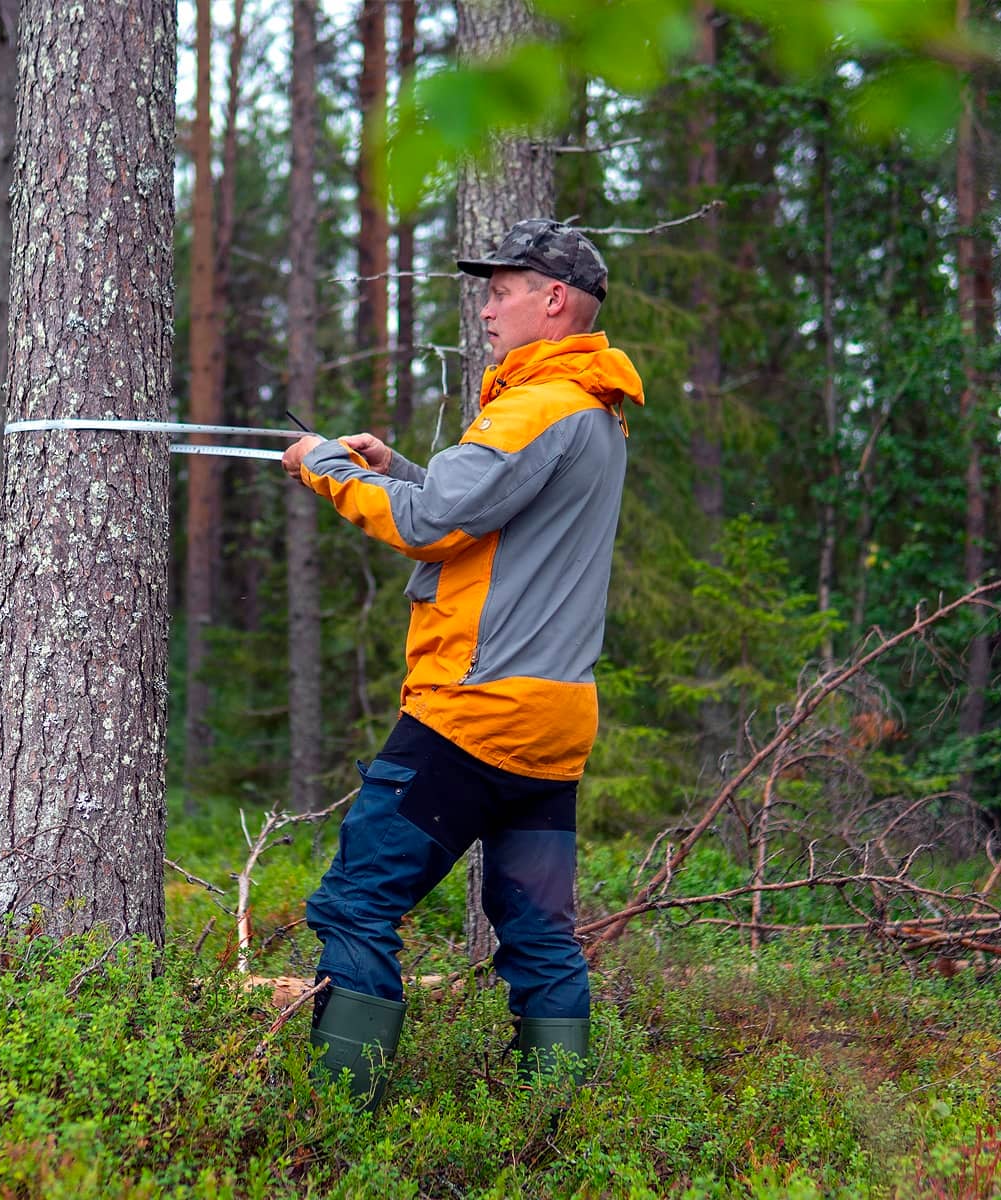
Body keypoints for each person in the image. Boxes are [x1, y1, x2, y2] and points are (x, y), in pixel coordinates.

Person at [280, 217, 644, 1110]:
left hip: (473, 715)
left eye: (499, 290)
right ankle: (553, 1131)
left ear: (551, 301)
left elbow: (430, 526)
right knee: (539, 937)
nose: (485, 308)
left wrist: (327, 467)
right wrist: (396, 463)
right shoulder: (591, 413)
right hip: (551, 728)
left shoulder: (537, 406)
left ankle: (338, 1124)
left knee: (357, 903)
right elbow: (484, 517)